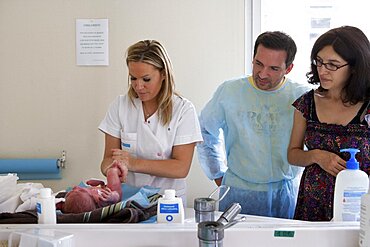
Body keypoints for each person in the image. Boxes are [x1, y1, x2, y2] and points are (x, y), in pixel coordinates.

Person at [197, 31, 311, 218]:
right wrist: (217, 174)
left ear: (288, 68)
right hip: (237, 191)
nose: (263, 74)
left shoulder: (301, 96)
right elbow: (204, 131)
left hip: (284, 194)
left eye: (273, 68)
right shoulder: (230, 91)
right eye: (258, 64)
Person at [98, 40, 203, 204]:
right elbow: (106, 160)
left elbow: (181, 168)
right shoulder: (120, 106)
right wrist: (113, 169)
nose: (138, 86)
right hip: (128, 200)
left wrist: (133, 163)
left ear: (163, 75)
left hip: (167, 202)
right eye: (133, 78)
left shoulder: (183, 110)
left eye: (146, 79)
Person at [287, 26, 370, 221]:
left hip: (357, 206)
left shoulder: (368, 107)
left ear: (355, 67)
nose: (322, 70)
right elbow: (293, 154)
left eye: (333, 64)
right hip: (312, 204)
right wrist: (316, 156)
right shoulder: (306, 103)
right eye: (319, 62)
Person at [62, 160, 127, 213]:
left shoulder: (91, 196)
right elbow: (117, 198)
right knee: (111, 172)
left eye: (72, 191)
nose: (75, 187)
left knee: (108, 176)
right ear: (95, 198)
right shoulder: (101, 199)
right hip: (115, 191)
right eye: (80, 190)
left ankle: (116, 168)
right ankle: (117, 169)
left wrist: (98, 184)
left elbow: (99, 188)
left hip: (104, 187)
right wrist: (112, 196)